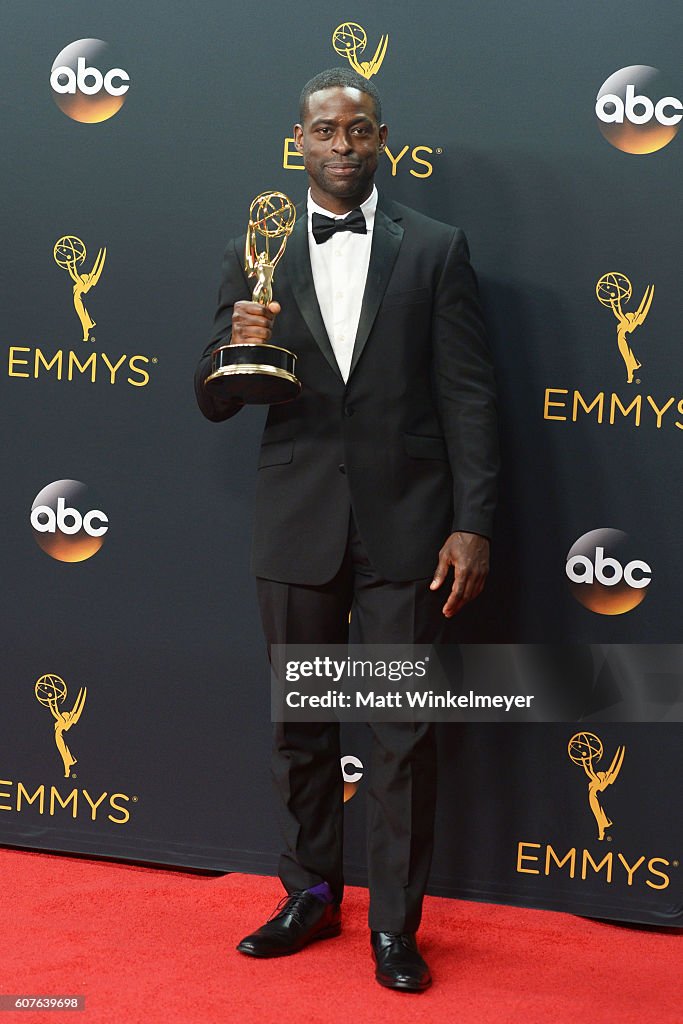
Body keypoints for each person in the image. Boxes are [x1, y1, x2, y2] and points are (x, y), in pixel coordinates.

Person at [195, 67, 499, 991]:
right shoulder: (262, 246)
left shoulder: (437, 248)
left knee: (403, 734)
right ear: (300, 142)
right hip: (297, 526)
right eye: (325, 130)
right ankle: (310, 896)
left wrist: (472, 523)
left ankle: (395, 931)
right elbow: (214, 397)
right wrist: (236, 346)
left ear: (380, 139)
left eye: (358, 130)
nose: (341, 145)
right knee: (300, 724)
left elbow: (469, 398)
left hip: (408, 531)